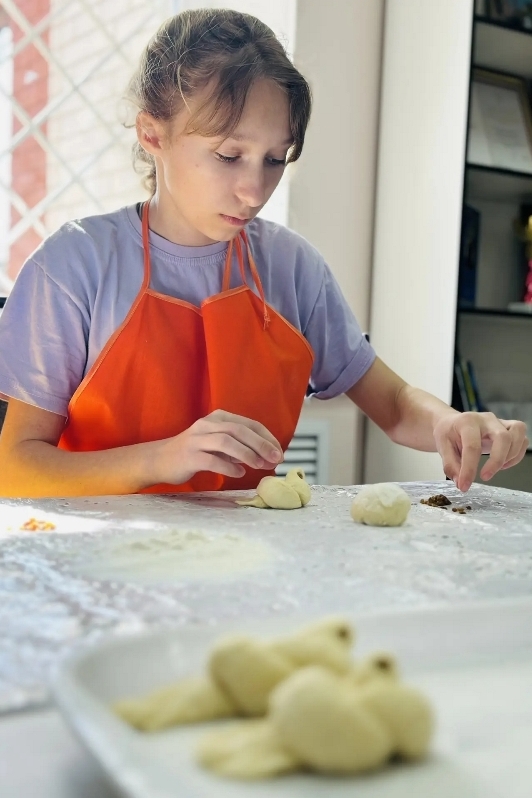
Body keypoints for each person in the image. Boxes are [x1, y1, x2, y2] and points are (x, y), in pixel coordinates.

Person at [0, 9, 527, 498]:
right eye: (229, 155)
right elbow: (15, 466)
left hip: (246, 554)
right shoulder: (72, 266)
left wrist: (448, 421)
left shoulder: (292, 268)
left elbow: (391, 403)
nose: (255, 191)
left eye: (275, 159)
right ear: (152, 134)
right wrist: (162, 458)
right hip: (91, 555)